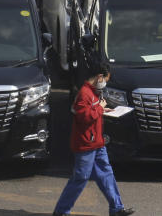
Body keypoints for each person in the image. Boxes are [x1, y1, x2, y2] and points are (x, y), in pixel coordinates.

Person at [53, 63, 134, 216]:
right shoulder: (84, 93)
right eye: (106, 80)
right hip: (86, 144)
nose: (105, 83)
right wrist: (100, 108)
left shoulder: (92, 92)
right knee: (81, 178)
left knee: (106, 173)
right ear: (99, 77)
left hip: (96, 142)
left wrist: (103, 109)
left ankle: (117, 208)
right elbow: (84, 117)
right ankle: (61, 211)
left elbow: (91, 112)